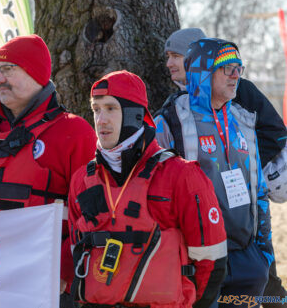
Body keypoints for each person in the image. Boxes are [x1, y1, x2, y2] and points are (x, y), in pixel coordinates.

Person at [0, 34, 97, 306]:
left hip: (45, 286)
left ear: (36, 74)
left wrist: (65, 270)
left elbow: (94, 213)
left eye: (9, 69)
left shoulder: (74, 132)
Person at [67, 70, 227, 308]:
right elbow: (76, 253)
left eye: (111, 108)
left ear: (135, 115)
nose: (101, 119)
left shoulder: (181, 175)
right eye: (96, 109)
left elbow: (211, 261)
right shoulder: (82, 179)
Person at [159, 28, 287, 307]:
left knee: (273, 295)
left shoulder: (242, 113)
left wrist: (261, 254)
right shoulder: (171, 119)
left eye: (238, 68)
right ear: (203, 71)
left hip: (246, 258)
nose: (235, 75)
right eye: (227, 68)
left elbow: (259, 185)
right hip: (200, 257)